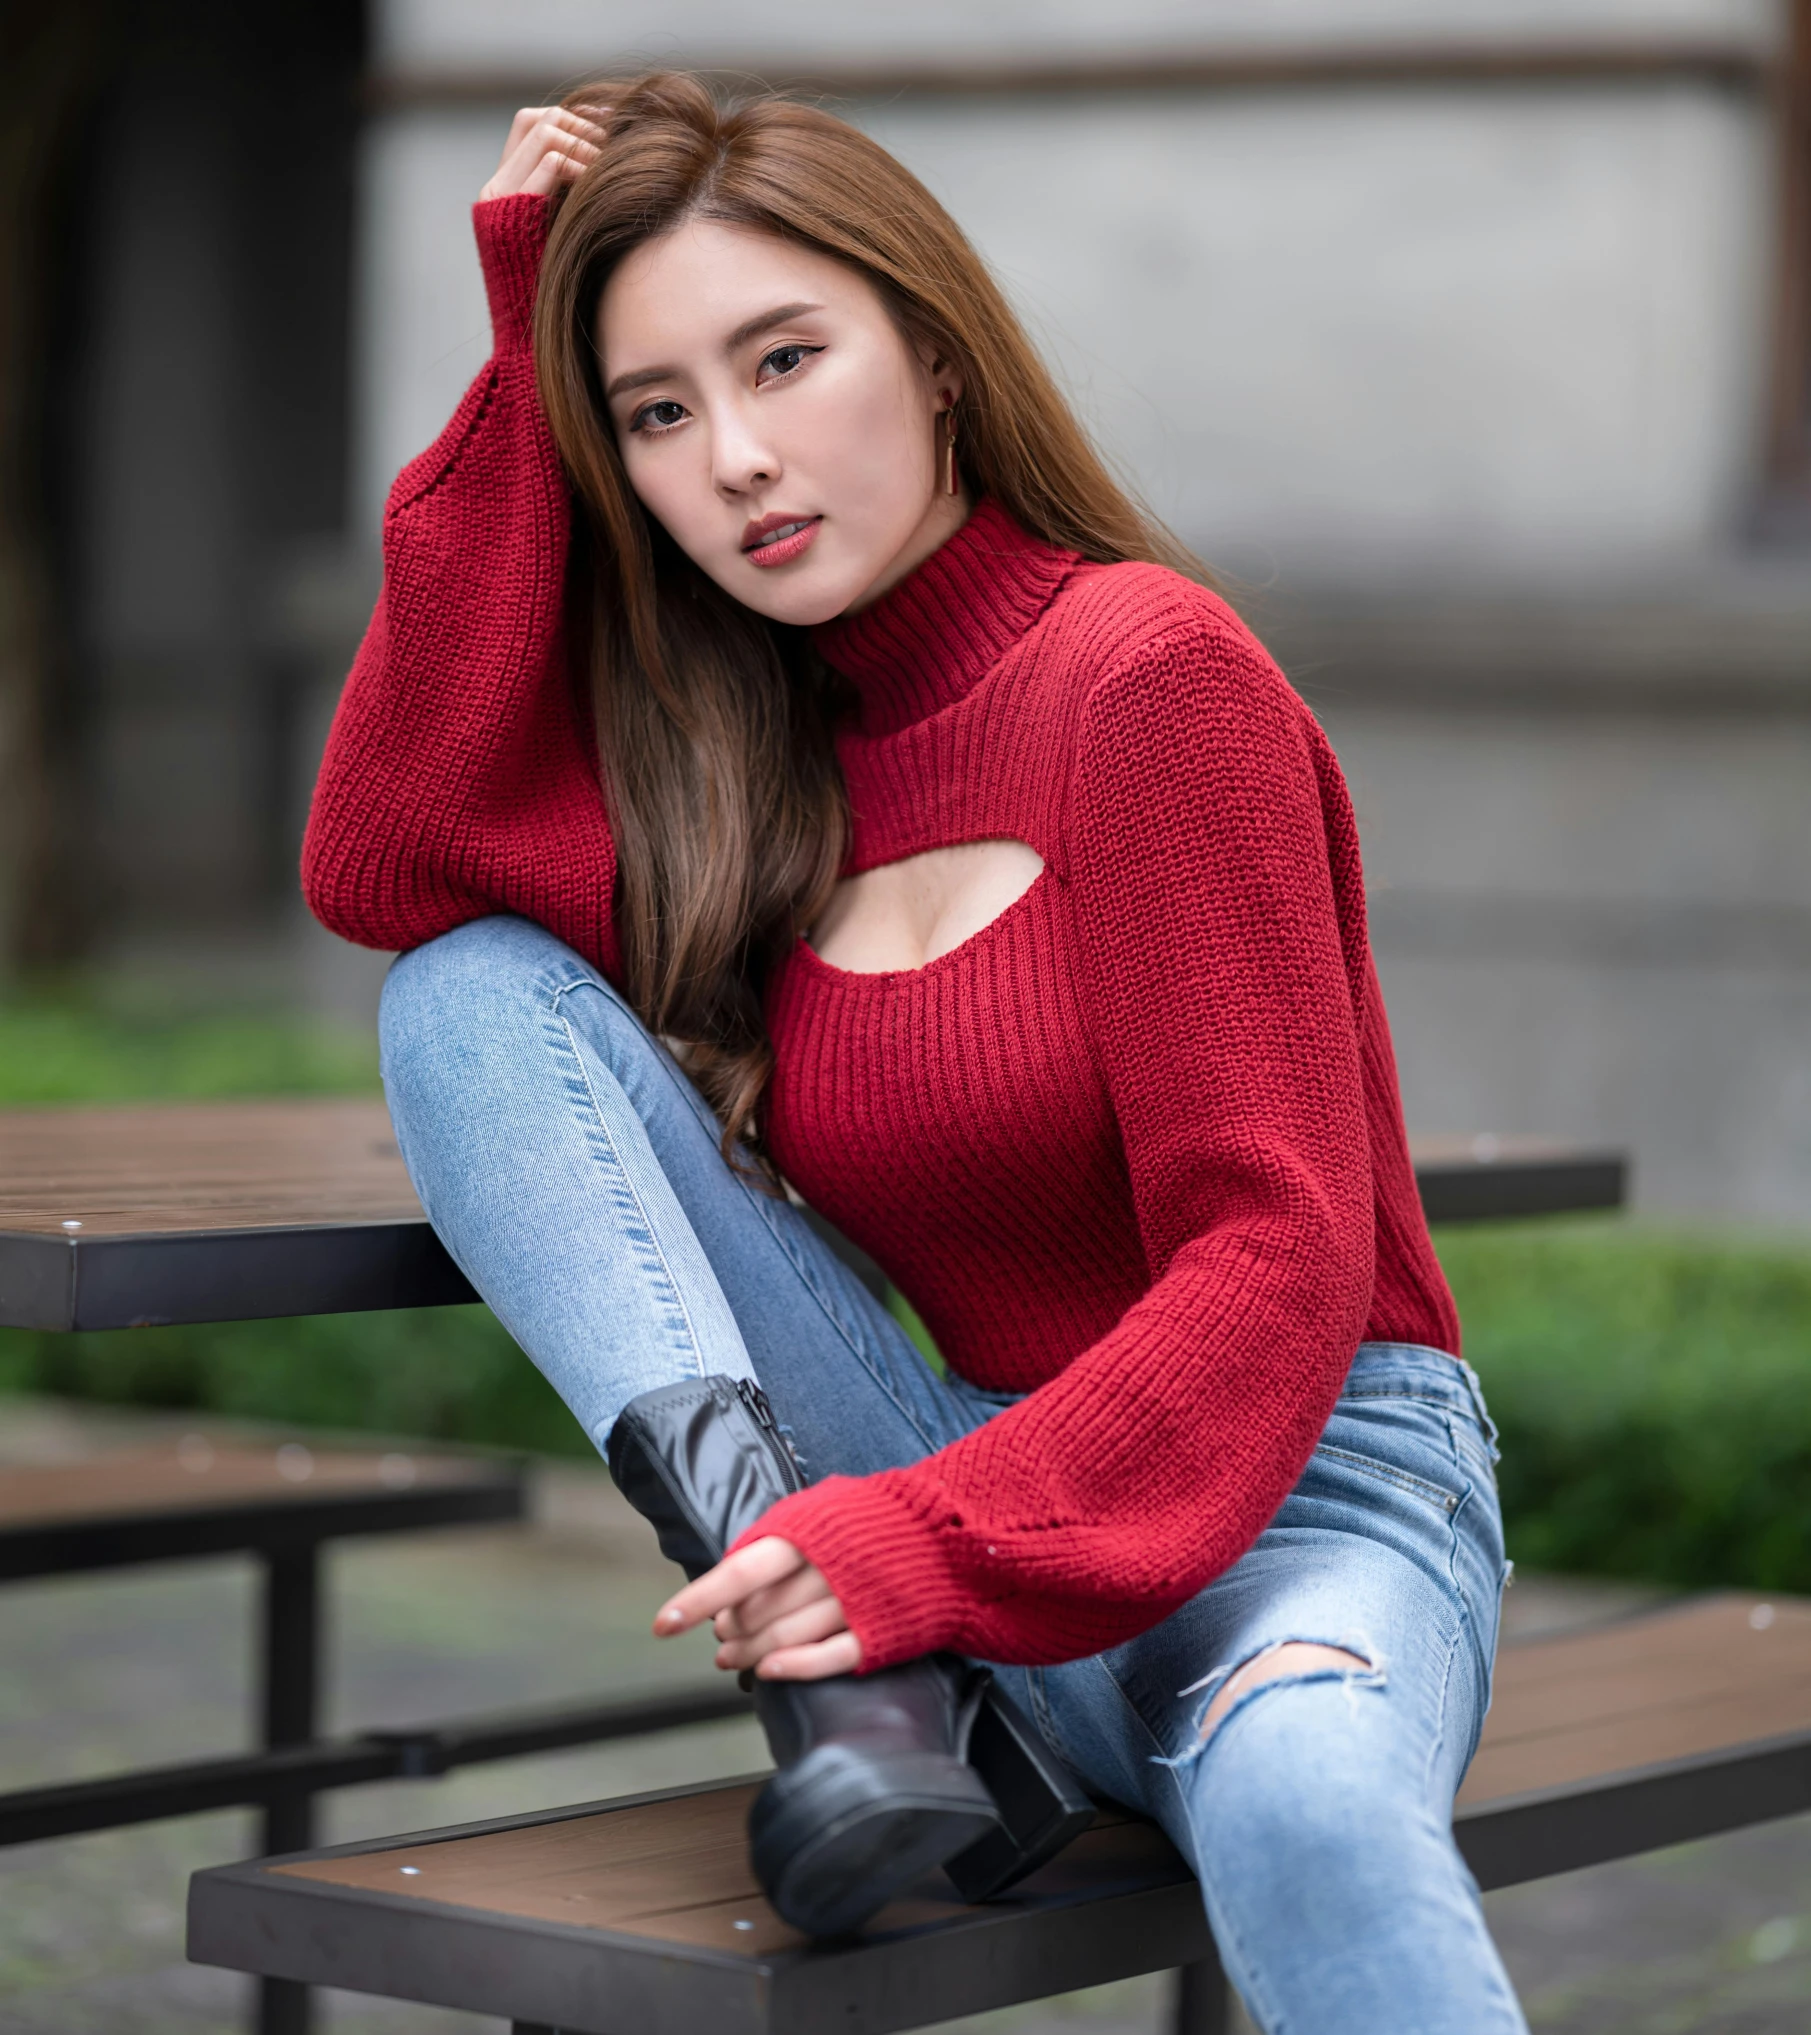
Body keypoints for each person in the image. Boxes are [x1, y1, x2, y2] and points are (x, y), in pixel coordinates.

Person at [304, 72, 1525, 2030]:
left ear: (936, 357)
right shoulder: (757, 788)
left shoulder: (1149, 677)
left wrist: (912, 1540)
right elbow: (387, 855)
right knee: (465, 992)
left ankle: (878, 1668)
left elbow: (1275, 1252)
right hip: (965, 1511)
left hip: (1300, 1504)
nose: (739, 459)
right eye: (659, 414)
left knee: (1304, 1808)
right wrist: (526, 343)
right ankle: (859, 1698)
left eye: (786, 360)